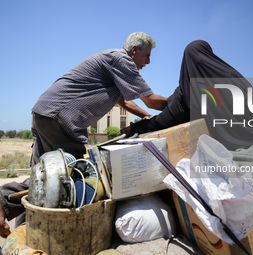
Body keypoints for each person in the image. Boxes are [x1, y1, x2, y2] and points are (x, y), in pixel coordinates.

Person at [0, 32, 167, 240]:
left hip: (46, 113)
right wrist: (181, 104)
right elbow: (150, 100)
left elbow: (123, 102)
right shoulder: (121, 59)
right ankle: (3, 201)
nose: (148, 62)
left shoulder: (112, 62)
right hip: (60, 119)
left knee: (40, 172)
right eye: (147, 55)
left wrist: (144, 115)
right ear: (134, 50)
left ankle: (23, 233)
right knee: (71, 173)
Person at [125, 40, 253, 169]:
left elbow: (162, 119)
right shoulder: (230, 76)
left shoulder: (185, 94)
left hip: (221, 147)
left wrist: (135, 127)